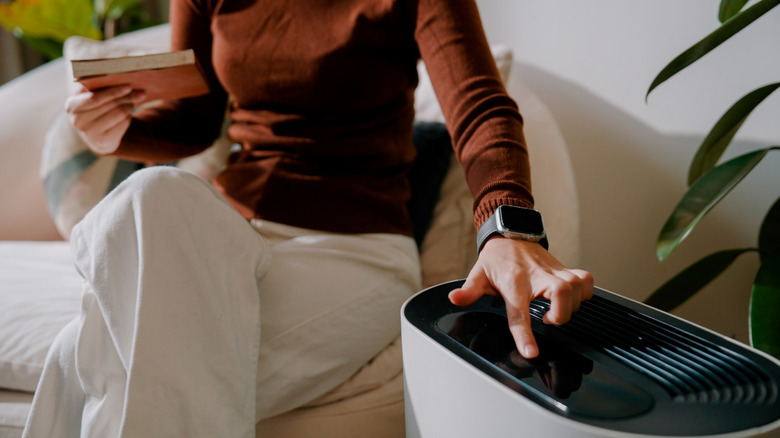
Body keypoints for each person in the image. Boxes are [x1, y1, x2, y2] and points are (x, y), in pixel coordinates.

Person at [23, 0, 593, 436]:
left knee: (85, 358)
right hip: (226, 233)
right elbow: (197, 118)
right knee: (151, 193)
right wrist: (119, 130)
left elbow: (479, 105)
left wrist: (506, 226)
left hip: (354, 247)